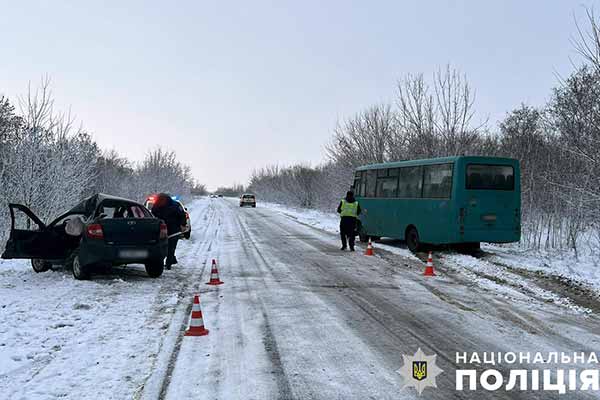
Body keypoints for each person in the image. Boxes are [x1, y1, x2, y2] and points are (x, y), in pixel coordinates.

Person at [151, 193, 186, 269]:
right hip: (169, 231)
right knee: (169, 248)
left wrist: (182, 224)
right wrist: (182, 224)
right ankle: (169, 262)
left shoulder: (159, 205)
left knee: (166, 248)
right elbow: (182, 215)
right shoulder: (174, 205)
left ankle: (166, 263)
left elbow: (152, 215)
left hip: (167, 231)